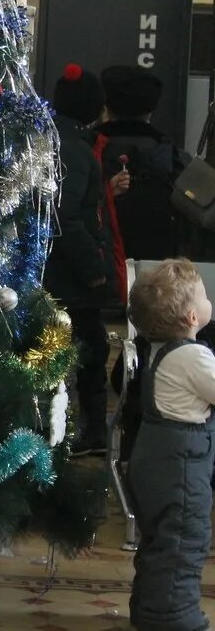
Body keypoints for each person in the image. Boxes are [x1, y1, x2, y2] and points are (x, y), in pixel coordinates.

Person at [125, 259, 215, 631]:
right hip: (179, 466)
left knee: (159, 541)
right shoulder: (194, 357)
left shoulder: (160, 350)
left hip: (153, 460)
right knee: (182, 542)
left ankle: (149, 611)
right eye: (205, 296)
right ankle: (174, 620)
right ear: (193, 316)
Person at [44, 63, 115, 456]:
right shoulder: (76, 149)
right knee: (89, 354)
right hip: (72, 278)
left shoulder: (59, 141)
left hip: (57, 273)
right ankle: (90, 435)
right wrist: (93, 271)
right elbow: (66, 218)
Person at [95, 65, 185, 261]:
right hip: (159, 264)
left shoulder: (88, 147)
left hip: (98, 262)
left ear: (106, 105)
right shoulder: (169, 154)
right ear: (150, 110)